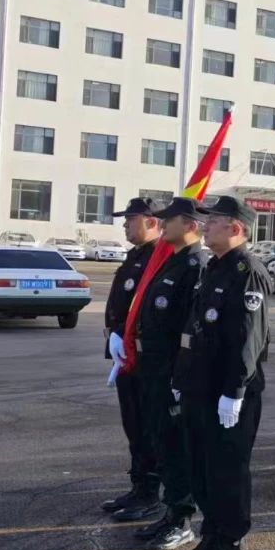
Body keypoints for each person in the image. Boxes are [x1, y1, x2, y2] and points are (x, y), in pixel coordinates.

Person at [168, 195, 272, 550]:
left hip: (228, 394)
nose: (205, 226)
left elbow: (248, 339)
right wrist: (181, 380)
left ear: (236, 228)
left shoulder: (247, 271)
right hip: (201, 387)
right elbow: (196, 330)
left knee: (227, 470)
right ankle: (210, 537)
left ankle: (229, 545)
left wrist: (235, 391)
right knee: (202, 467)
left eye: (213, 222)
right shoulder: (215, 267)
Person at [124, 198, 209, 550]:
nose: (162, 225)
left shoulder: (195, 265)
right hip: (154, 369)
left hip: (172, 373)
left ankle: (182, 520)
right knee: (161, 442)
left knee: (177, 447)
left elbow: (192, 329)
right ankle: (170, 512)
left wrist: (180, 377)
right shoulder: (171, 260)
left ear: (190, 225)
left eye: (169, 220)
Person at [101, 196, 162, 521]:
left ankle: (151, 493)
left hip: (143, 357)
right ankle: (138, 487)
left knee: (147, 427)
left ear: (152, 222)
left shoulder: (159, 258)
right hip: (125, 354)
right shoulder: (136, 255)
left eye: (131, 219)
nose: (125, 225)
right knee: (133, 426)